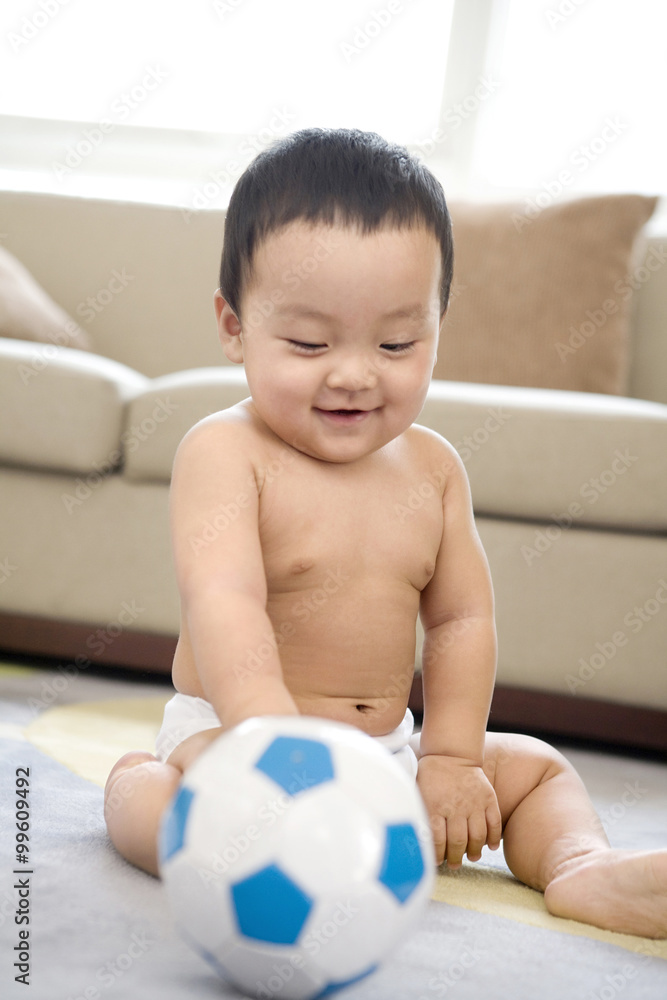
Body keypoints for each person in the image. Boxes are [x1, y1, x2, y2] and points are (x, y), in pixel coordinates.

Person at [104, 127, 666, 939]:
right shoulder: (225, 452)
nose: (355, 372)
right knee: (143, 785)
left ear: (437, 326)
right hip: (242, 744)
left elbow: (462, 620)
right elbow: (225, 600)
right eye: (307, 342)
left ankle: (582, 867)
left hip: (387, 755)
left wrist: (448, 758)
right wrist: (273, 750)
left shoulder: (433, 469)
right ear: (233, 326)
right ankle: (211, 847)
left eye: (397, 343)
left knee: (536, 770)